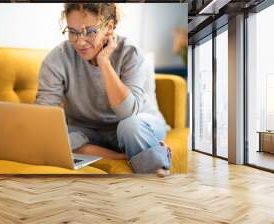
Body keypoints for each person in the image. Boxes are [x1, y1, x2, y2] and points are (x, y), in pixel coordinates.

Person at [35, 3, 172, 177]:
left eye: (90, 31)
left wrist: (104, 62)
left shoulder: (130, 53)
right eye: (72, 32)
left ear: (109, 27)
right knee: (52, 132)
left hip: (136, 126)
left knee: (130, 126)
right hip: (89, 133)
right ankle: (124, 156)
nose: (79, 41)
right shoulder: (57, 58)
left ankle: (157, 175)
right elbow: (43, 118)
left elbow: (127, 113)